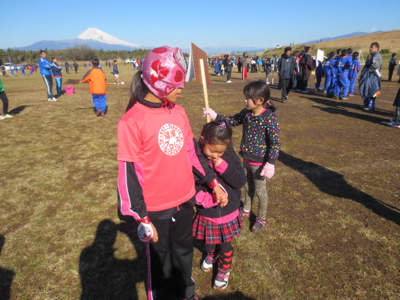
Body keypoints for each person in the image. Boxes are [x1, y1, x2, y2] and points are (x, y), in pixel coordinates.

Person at [117, 46, 226, 300]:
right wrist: (142, 218)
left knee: (184, 253)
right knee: (161, 264)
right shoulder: (131, 121)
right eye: (177, 83)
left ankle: (187, 294)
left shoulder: (178, 112)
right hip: (155, 210)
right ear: (159, 82)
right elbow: (128, 175)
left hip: (185, 201)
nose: (182, 89)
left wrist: (213, 183)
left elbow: (192, 155)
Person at [203, 81, 281, 233]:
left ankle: (261, 218)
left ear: (260, 100)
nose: (245, 101)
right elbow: (232, 120)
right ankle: (246, 208)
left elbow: (275, 143)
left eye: (248, 98)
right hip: (246, 159)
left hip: (260, 165)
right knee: (247, 186)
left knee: (260, 191)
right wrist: (216, 116)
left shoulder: (269, 118)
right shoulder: (246, 114)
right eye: (245, 97)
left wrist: (270, 163)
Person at [193, 121, 246, 290]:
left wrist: (223, 166)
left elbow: (239, 181)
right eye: (212, 151)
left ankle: (224, 269)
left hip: (228, 213)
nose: (216, 155)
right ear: (202, 140)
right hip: (207, 214)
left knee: (225, 245)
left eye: (221, 151)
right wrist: (207, 200)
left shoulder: (228, 157)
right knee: (208, 242)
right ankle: (210, 254)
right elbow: (192, 187)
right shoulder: (196, 160)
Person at [359, 42, 382, 111]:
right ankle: (366, 104)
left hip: (373, 76)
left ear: (376, 48)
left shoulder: (376, 55)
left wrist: (368, 70)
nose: (370, 48)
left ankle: (370, 105)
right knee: (366, 88)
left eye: (372, 47)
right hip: (369, 76)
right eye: (370, 47)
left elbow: (375, 65)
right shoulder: (373, 55)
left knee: (372, 90)